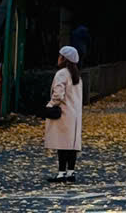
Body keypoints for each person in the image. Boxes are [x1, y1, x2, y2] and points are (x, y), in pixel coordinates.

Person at [45, 45, 83, 183]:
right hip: (75, 115)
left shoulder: (62, 74)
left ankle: (61, 174)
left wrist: (50, 105)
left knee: (62, 144)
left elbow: (58, 94)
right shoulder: (76, 75)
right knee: (72, 145)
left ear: (64, 58)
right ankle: (71, 172)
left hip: (64, 113)